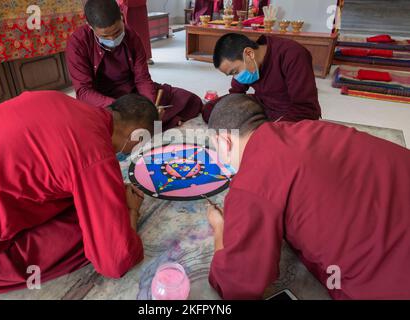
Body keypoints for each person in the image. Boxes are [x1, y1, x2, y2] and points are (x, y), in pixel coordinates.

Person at [206, 94, 410, 299]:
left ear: (223, 141)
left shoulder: (252, 181)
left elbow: (236, 285)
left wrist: (220, 228)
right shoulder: (311, 128)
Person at [0, 91, 159, 293]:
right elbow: (115, 262)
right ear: (137, 134)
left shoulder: (57, 98)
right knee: (93, 234)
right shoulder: (95, 154)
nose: (130, 153)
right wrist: (130, 211)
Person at [67, 0, 202, 130]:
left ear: (121, 17)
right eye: (105, 36)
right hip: (103, 101)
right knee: (95, 127)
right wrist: (121, 108)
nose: (112, 39)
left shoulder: (131, 35)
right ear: (90, 27)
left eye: (117, 32)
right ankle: (161, 123)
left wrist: (149, 105)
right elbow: (84, 92)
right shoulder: (78, 43)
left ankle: (155, 122)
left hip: (132, 92)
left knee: (190, 100)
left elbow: (142, 78)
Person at [202, 33, 321, 122]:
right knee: (211, 109)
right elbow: (236, 93)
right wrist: (227, 108)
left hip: (292, 112)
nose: (236, 77)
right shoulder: (249, 61)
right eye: (231, 74)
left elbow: (305, 108)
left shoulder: (293, 54)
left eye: (235, 71)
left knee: (269, 143)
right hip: (263, 104)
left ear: (249, 54)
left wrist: (270, 130)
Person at [117, 0, 153, 64]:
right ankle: (128, 58)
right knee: (126, 33)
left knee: (142, 32)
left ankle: (145, 56)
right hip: (123, 5)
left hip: (139, 5)